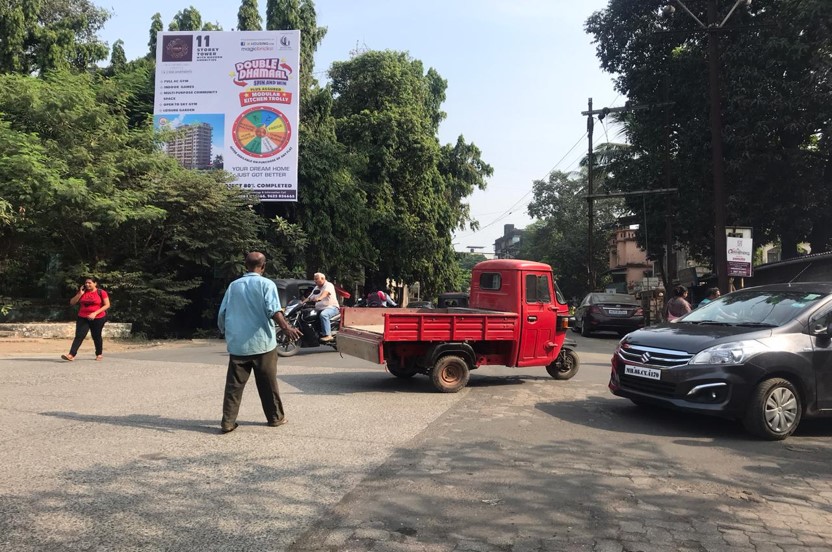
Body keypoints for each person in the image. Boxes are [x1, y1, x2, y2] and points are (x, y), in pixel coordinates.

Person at [217, 252, 302, 434]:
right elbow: (273, 310)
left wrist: (228, 333)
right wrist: (286, 327)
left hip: (238, 345)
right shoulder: (266, 284)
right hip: (262, 344)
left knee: (234, 386)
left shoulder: (233, 286)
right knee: (268, 383)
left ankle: (228, 422)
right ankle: (275, 418)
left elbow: (222, 313)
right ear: (263, 267)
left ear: (245, 265)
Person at [61, 276, 110, 361]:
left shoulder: (101, 292)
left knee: (96, 336)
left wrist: (94, 313)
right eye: (86, 283)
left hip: (98, 317)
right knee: (79, 336)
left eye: (89, 283)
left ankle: (99, 353)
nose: (87, 284)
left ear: (95, 284)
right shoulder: (82, 292)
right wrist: (80, 294)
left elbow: (107, 305)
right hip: (83, 317)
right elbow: (72, 302)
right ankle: (71, 355)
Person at [304, 272, 339, 342]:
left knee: (324, 315)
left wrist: (319, 298)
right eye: (314, 279)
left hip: (331, 308)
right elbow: (310, 297)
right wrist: (302, 302)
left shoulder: (328, 285)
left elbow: (325, 293)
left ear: (323, 279)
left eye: (316, 279)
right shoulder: (316, 288)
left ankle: (328, 335)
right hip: (319, 309)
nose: (315, 281)